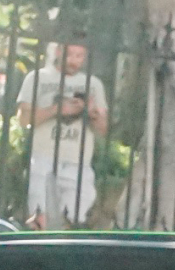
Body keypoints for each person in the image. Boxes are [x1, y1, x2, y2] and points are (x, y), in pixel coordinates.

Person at [16, 40, 107, 227]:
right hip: (43, 158)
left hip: (78, 163)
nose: (74, 61)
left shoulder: (93, 84)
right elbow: (24, 119)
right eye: (70, 55)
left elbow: (104, 129)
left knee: (73, 219)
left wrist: (91, 113)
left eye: (79, 56)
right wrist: (57, 110)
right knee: (40, 218)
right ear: (58, 51)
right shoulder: (37, 78)